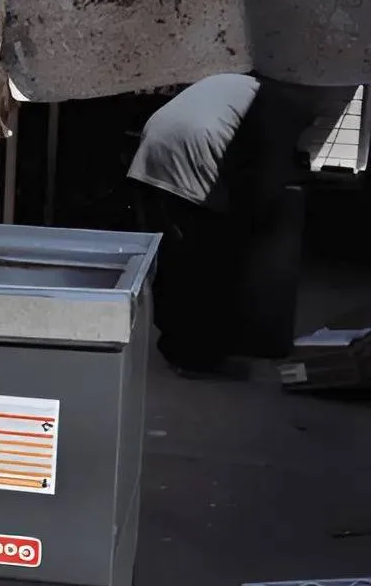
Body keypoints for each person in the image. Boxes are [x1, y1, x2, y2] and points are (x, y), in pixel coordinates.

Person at [127, 73, 308, 374]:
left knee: (173, 255)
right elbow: (262, 174)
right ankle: (197, 357)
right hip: (196, 147)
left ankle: (176, 345)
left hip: (155, 141)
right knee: (210, 261)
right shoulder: (285, 108)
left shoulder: (239, 85)